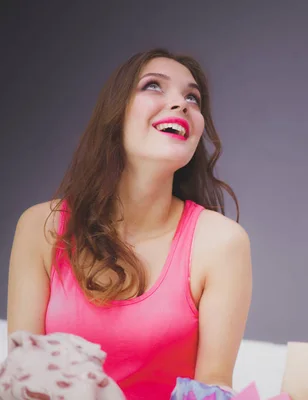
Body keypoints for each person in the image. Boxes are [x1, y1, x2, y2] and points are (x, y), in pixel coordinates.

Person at [6, 48, 253, 399]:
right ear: (115, 114)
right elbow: (22, 375)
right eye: (154, 86)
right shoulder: (40, 227)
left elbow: (213, 385)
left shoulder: (222, 243)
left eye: (192, 97)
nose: (181, 104)